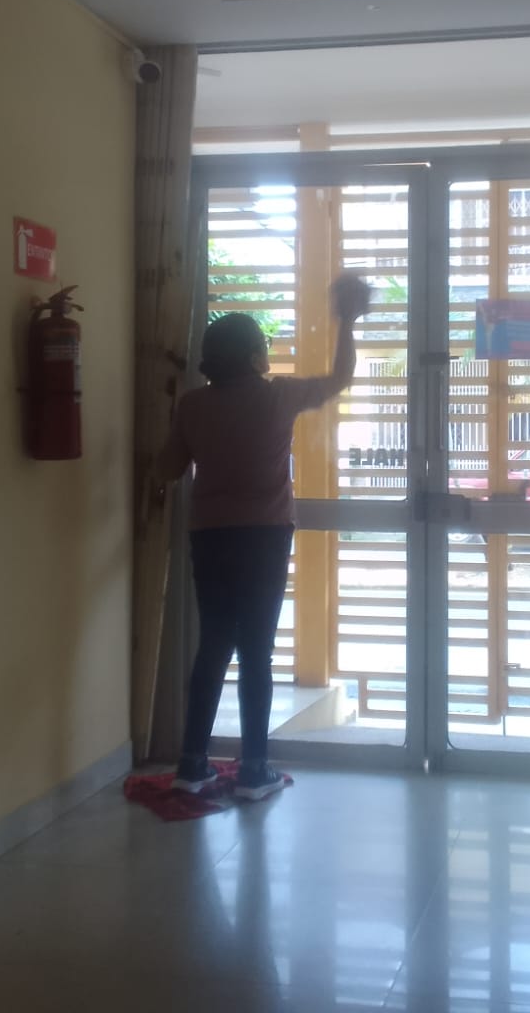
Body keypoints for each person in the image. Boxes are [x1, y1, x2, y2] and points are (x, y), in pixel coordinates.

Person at [154, 274, 372, 800]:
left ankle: (191, 765)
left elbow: (167, 469)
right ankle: (253, 770)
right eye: (264, 346)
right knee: (256, 650)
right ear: (253, 356)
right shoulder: (278, 397)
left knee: (213, 645)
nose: (268, 353)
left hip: (209, 537)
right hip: (264, 538)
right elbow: (340, 377)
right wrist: (347, 321)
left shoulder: (192, 406)